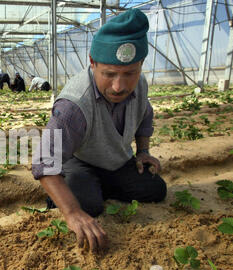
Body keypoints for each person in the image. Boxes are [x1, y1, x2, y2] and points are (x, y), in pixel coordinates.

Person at [31, 9, 167, 253]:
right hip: (81, 161)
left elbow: (145, 113)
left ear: (141, 65)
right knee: (85, 205)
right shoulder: (74, 104)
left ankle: (95, 186)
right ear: (93, 63)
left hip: (117, 161)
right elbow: (44, 160)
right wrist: (72, 213)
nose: (119, 86)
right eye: (109, 74)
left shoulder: (141, 84)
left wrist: (143, 151)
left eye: (129, 73)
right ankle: (84, 188)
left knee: (155, 188)